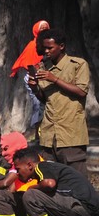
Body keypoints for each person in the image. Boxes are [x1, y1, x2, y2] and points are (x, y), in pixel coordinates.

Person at [10, 148, 99, 216]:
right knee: (41, 208)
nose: (17, 174)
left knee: (31, 196)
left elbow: (49, 184)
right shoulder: (53, 168)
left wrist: (31, 188)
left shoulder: (42, 167)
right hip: (92, 213)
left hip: (83, 208)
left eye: (18, 169)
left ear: (29, 165)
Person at [27, 29, 90, 177]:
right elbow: (46, 98)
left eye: (50, 48)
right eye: (44, 48)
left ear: (61, 46)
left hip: (71, 133)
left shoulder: (78, 64)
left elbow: (81, 91)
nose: (46, 51)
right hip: (49, 134)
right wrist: (35, 88)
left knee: (77, 178)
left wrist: (54, 79)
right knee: (51, 178)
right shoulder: (43, 68)